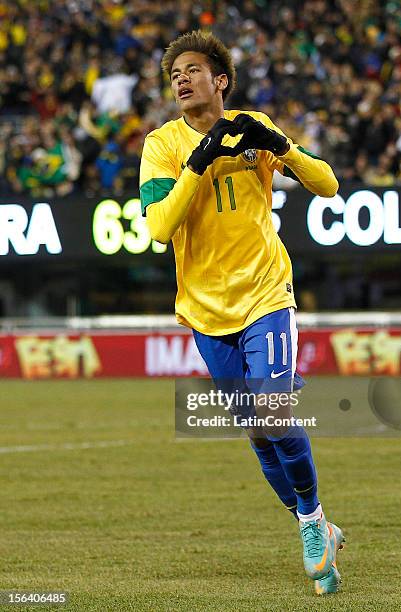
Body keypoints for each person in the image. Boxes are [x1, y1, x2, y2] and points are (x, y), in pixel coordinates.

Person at [139, 30, 344, 596]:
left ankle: (309, 521)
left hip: (264, 292)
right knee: (258, 431)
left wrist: (282, 145)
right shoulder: (162, 145)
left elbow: (326, 185)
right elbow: (158, 228)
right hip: (206, 309)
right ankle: (321, 525)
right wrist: (199, 162)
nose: (181, 79)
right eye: (174, 73)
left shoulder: (253, 126)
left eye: (192, 70)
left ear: (220, 80)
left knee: (273, 411)